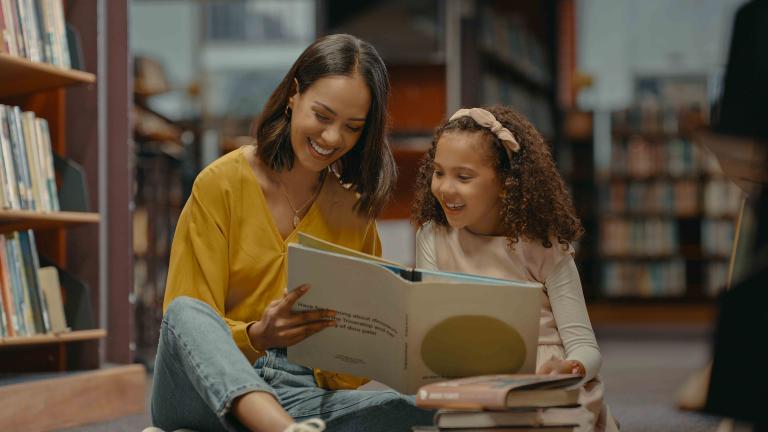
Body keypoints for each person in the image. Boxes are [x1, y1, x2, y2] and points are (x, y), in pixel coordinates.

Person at [150, 34, 433, 432]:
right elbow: (186, 333)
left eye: (352, 127)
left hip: (300, 394)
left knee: (410, 407)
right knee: (185, 311)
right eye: (322, 116)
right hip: (201, 389)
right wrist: (257, 335)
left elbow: (346, 377)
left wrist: (369, 348)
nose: (333, 138)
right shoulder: (221, 183)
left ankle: (270, 425)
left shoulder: (354, 214)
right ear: (294, 95)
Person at [411, 106, 619, 431]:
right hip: (472, 376)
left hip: (544, 379)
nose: (445, 189)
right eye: (439, 172)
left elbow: (585, 346)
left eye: (463, 177)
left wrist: (572, 368)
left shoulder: (543, 245)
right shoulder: (432, 237)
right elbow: (432, 329)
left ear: (506, 183)